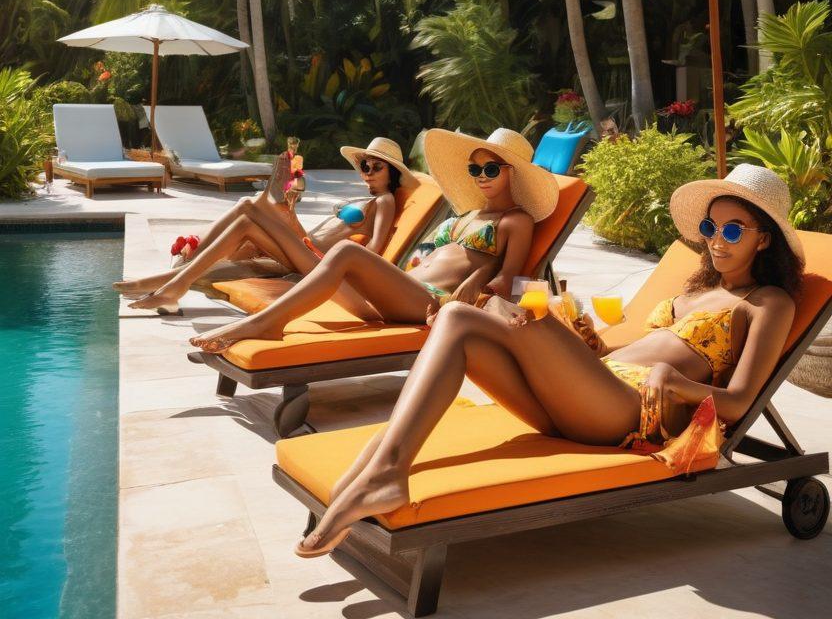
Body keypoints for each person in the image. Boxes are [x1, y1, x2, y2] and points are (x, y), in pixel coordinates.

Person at [292, 163, 804, 557]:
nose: (715, 240)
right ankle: (387, 465)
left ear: (764, 238)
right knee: (455, 319)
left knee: (519, 314)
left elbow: (739, 402)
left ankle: (380, 469)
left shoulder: (768, 303)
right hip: (594, 390)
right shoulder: (697, 288)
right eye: (710, 226)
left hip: (631, 414)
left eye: (733, 231)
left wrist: (675, 381)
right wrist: (596, 347)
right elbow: (633, 352)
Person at [188, 127, 560, 353]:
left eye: (490, 169)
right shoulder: (466, 215)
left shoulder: (516, 220)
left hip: (430, 301)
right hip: (394, 294)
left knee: (346, 251)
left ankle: (265, 324)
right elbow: (425, 256)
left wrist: (477, 279)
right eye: (474, 169)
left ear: (512, 174)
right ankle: (207, 285)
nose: (481, 176)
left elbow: (510, 279)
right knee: (308, 252)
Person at [115, 137, 419, 311]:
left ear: (392, 173)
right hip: (305, 246)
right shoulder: (366, 199)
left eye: (377, 167)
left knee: (249, 208)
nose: (368, 172)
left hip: (318, 261)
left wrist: (341, 263)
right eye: (365, 166)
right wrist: (292, 218)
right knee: (246, 214)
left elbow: (375, 249)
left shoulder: (385, 201)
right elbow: (322, 235)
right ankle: (170, 282)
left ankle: (173, 281)